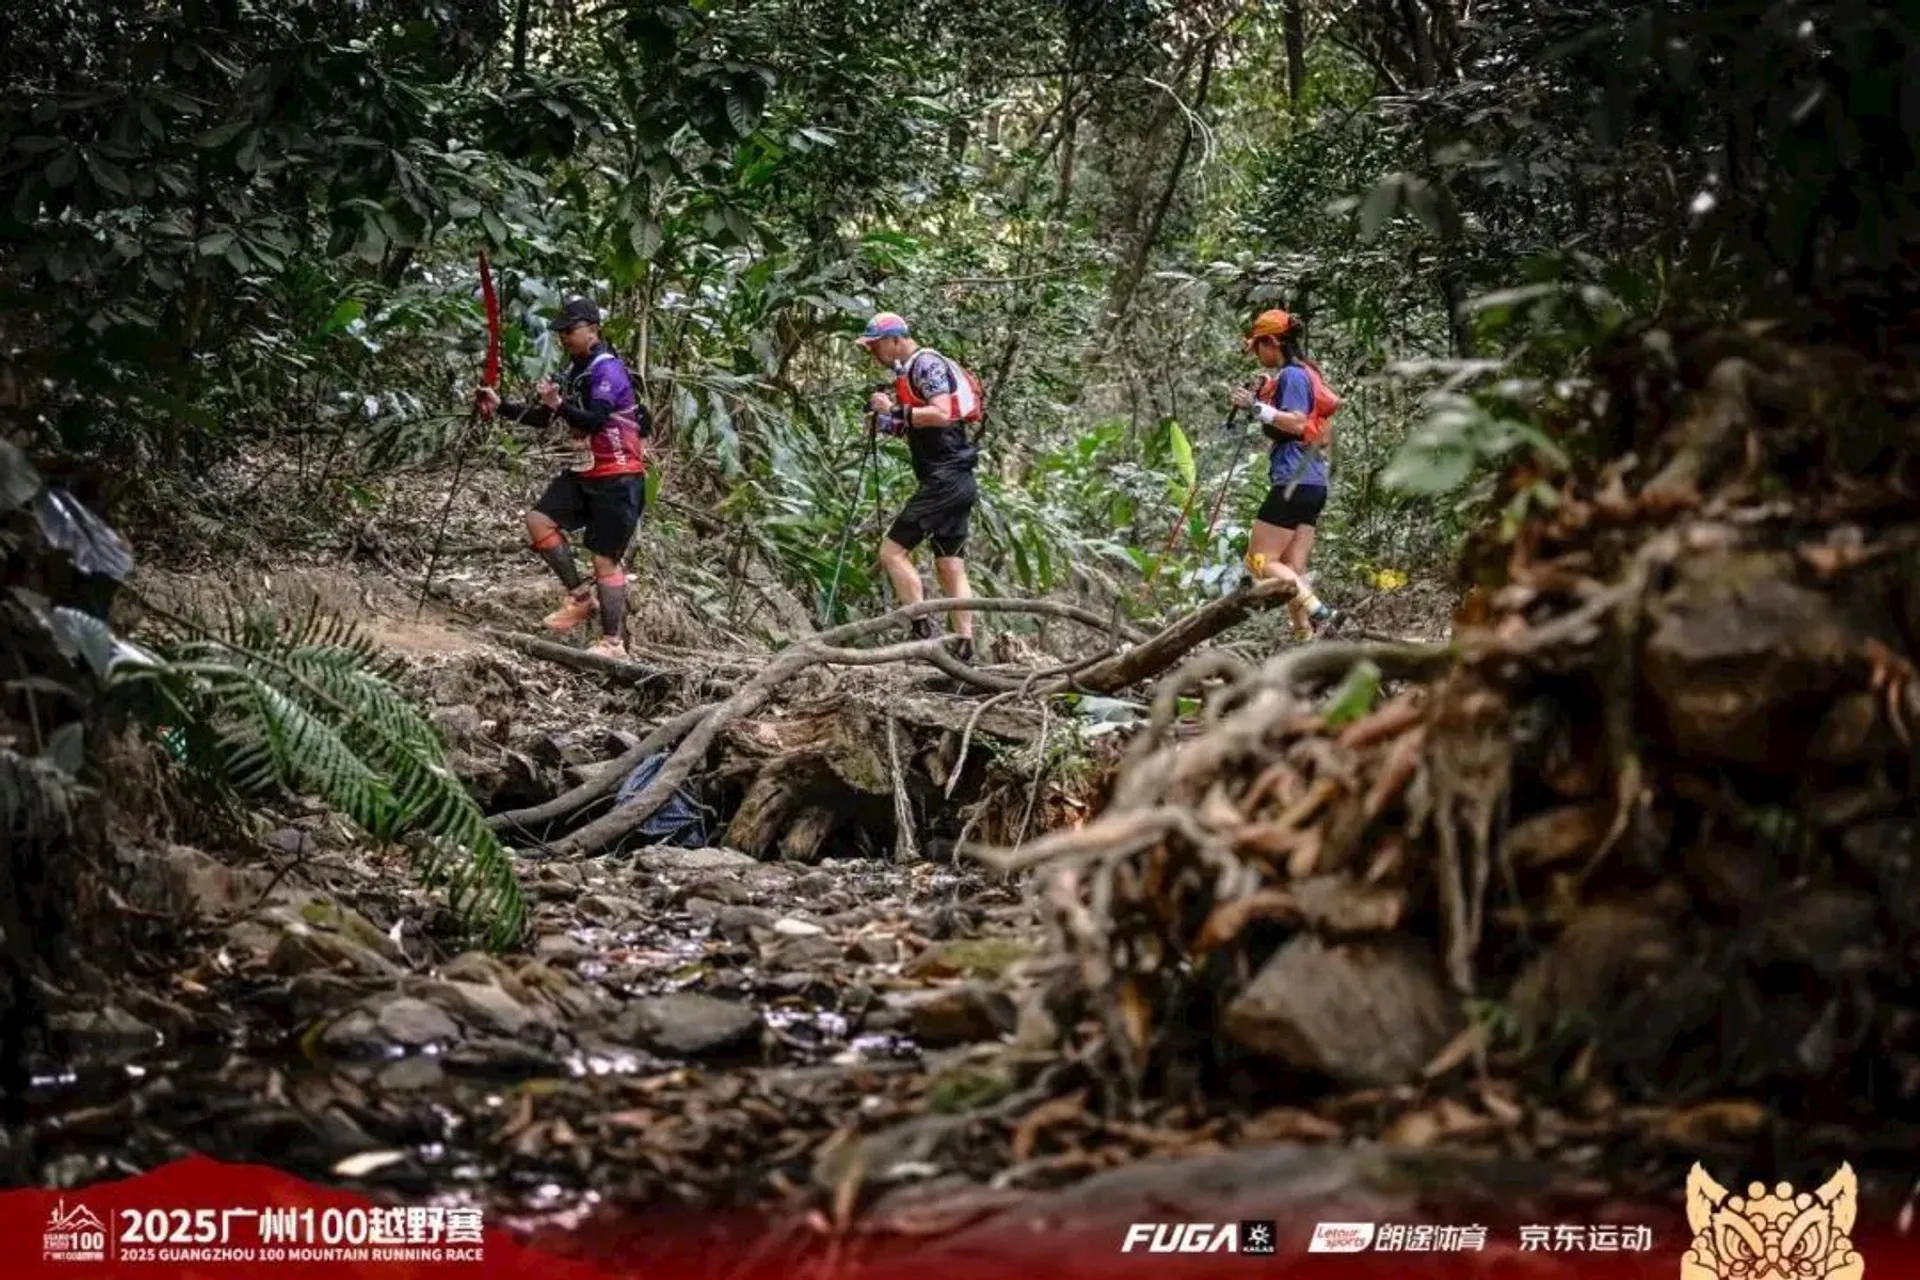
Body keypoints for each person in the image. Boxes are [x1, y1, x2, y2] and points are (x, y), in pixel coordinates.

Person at [479, 298, 649, 657]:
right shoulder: (573, 370)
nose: (564, 339)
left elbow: (596, 420)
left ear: (592, 329)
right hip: (585, 471)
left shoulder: (608, 370)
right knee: (539, 521)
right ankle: (579, 597)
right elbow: (543, 418)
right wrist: (501, 407)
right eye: (561, 333)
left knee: (604, 560)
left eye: (570, 331)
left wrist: (558, 404)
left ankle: (613, 643)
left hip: (619, 477)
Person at [857, 311, 982, 662]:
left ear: (895, 339)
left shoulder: (924, 364)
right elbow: (915, 424)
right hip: (956, 480)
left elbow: (942, 414)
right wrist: (884, 419)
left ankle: (921, 631)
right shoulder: (909, 372)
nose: (872, 353)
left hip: (946, 479)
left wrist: (896, 411)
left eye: (875, 345)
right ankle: (964, 651)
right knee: (950, 566)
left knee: (891, 553)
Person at [1229, 308, 1339, 641]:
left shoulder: (1293, 375)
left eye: (1259, 347)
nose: (1258, 355)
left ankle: (1322, 613)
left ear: (1273, 342)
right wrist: (1262, 399)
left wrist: (1255, 407)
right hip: (1312, 481)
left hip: (1294, 479)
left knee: (1259, 560)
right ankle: (1304, 637)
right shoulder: (1303, 374)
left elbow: (1296, 422)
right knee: (1292, 568)